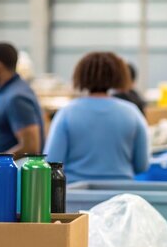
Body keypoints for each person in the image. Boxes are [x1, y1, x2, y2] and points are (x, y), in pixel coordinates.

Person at [44, 52, 149, 183]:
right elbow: (142, 165)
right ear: (120, 76)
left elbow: (51, 161)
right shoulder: (132, 112)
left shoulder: (66, 113)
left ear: (80, 76)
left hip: (76, 195)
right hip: (122, 195)